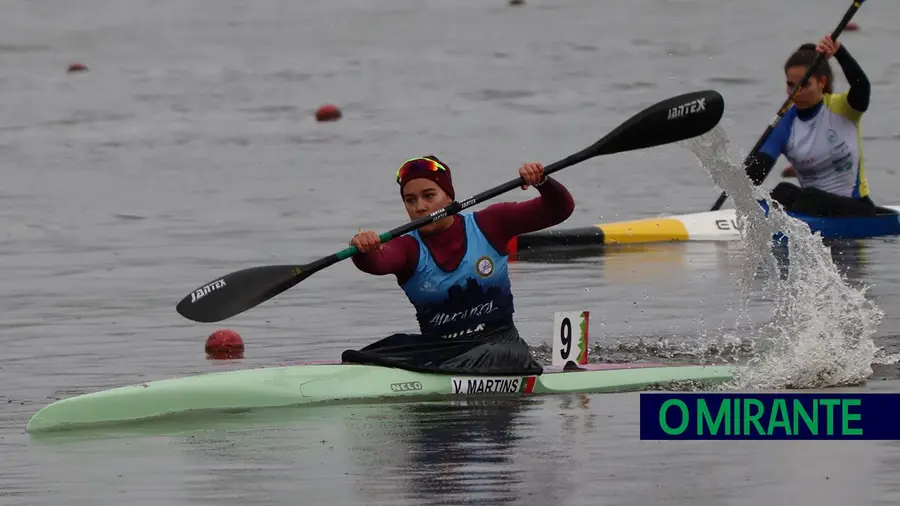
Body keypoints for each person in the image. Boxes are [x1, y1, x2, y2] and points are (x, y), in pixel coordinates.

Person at [340, 155, 575, 376]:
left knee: (492, 353)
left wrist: (542, 181)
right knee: (370, 353)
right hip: (441, 349)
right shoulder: (408, 247)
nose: (420, 207)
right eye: (410, 200)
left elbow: (559, 209)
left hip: (501, 345)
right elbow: (378, 262)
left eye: (429, 196)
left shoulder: (490, 223)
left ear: (449, 198)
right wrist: (363, 247)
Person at [745, 34, 889, 217]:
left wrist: (840, 53)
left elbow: (862, 88)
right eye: (790, 85)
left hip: (857, 208)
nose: (795, 93)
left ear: (822, 82)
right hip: (812, 207)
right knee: (782, 191)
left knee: (810, 196)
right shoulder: (785, 124)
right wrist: (741, 182)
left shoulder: (842, 108)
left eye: (804, 84)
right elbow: (756, 173)